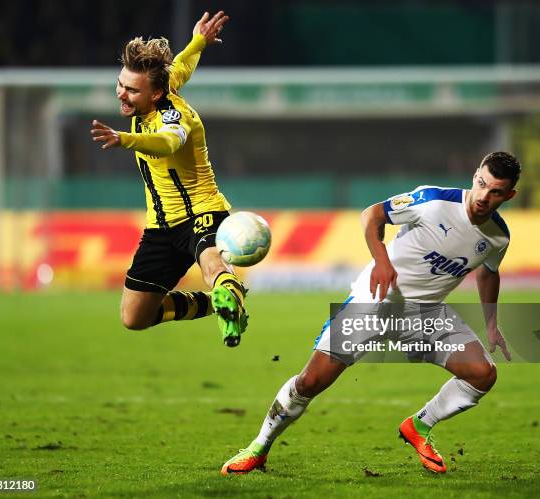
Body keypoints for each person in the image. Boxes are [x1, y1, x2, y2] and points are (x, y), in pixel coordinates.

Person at [221, 152, 520, 474]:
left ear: (509, 195)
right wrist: (381, 261)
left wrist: (491, 324)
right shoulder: (433, 201)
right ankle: (259, 447)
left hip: (427, 315)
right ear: (475, 175)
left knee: (482, 374)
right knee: (309, 382)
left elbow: (489, 272)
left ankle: (419, 426)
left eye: (495, 192)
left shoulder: (498, 236)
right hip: (374, 301)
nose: (483, 196)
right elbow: (372, 215)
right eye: (481, 184)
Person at [90, 11, 248, 347]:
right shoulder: (161, 84)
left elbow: (168, 142)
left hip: (202, 212)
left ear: (155, 94)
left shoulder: (175, 116)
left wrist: (124, 139)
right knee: (134, 317)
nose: (121, 93)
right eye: (121, 84)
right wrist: (198, 42)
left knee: (211, 266)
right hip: (160, 227)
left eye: (131, 90)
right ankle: (218, 305)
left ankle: (228, 295)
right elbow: (181, 66)